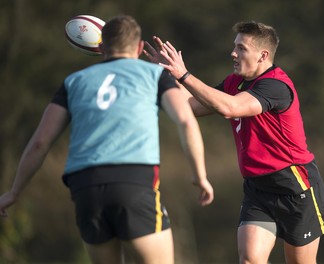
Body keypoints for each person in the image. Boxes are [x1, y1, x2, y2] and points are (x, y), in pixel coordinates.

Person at [0, 15, 214, 264]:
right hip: (133, 182)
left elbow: (40, 142)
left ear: (100, 47)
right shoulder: (154, 75)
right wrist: (200, 176)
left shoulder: (73, 82)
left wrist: (14, 192)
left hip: (85, 188)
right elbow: (186, 120)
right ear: (139, 47)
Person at [144, 21, 324, 264]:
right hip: (257, 188)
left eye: (241, 48)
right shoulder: (234, 83)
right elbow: (192, 106)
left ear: (263, 55)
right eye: (234, 46)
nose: (233, 53)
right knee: (250, 260)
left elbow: (230, 108)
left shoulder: (276, 85)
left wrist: (185, 75)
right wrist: (168, 74)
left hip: (295, 187)